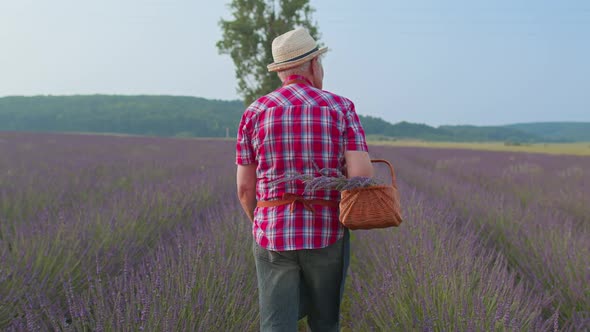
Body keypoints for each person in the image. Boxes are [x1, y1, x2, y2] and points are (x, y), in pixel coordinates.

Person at [235, 27, 373, 332]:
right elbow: (362, 175)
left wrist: (262, 220)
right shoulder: (340, 107)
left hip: (272, 232)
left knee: (275, 325)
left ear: (281, 72)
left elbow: (245, 188)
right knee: (325, 323)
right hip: (326, 232)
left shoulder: (254, 112)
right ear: (313, 65)